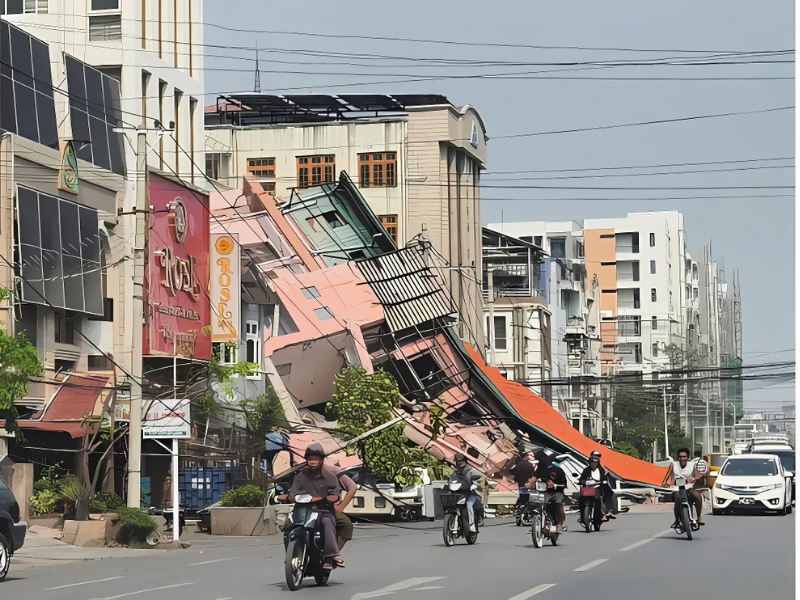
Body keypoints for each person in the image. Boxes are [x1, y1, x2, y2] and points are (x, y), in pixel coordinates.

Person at [285, 443, 356, 569]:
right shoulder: (300, 476)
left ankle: (330, 555)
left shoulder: (332, 475)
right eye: (310, 459)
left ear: (322, 460)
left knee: (329, 522)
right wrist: (288, 497)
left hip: (324, 510)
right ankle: (292, 554)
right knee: (288, 524)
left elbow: (341, 492)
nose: (313, 462)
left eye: (316, 459)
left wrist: (336, 503)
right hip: (303, 509)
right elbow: (293, 493)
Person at [531, 452, 568, 533]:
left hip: (557, 492)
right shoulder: (541, 469)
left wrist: (554, 485)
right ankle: (536, 523)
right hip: (544, 493)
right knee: (535, 502)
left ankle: (559, 525)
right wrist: (531, 482)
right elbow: (534, 477)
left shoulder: (558, 470)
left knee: (558, 504)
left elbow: (564, 484)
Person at [577, 451, 615, 525]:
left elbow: (604, 479)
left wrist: (603, 482)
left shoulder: (601, 470)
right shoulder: (586, 470)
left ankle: (603, 513)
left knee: (599, 500)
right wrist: (584, 482)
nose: (593, 464)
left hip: (597, 489)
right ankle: (583, 517)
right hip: (587, 490)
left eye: (595, 463)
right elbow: (581, 479)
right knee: (581, 501)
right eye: (592, 463)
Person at [671, 447, 704, 528]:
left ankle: (699, 517)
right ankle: (677, 520)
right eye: (680, 457)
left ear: (688, 457)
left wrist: (696, 479)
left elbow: (697, 476)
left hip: (689, 489)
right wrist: (681, 482)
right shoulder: (673, 465)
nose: (682, 459)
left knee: (698, 496)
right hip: (677, 489)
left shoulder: (692, 466)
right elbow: (669, 479)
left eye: (684, 457)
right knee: (678, 498)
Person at [452, 453, 483, 533]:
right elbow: (451, 481)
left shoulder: (471, 471)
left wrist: (475, 484)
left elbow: (481, 478)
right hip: (459, 495)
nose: (459, 463)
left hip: (470, 494)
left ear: (465, 461)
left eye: (461, 461)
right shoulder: (455, 472)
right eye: (457, 461)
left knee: (469, 505)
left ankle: (472, 525)